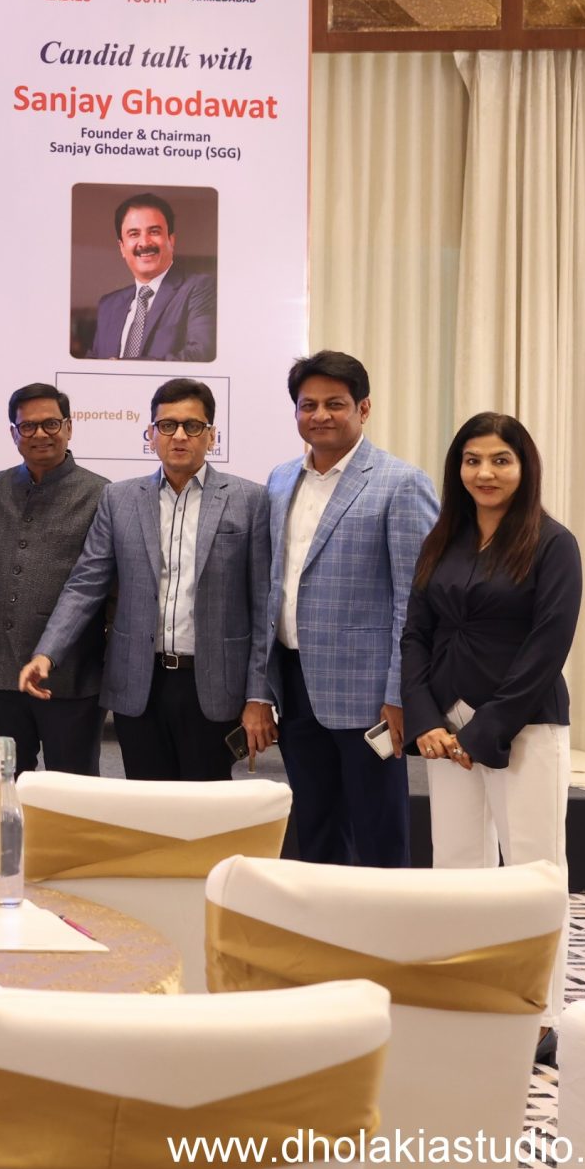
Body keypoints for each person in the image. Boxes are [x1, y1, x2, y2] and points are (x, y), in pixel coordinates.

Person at [403, 411, 578, 1049]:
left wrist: (486, 732)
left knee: (533, 867)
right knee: (456, 866)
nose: (485, 472)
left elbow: (547, 647)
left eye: (501, 459)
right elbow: (415, 634)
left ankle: (542, 1015)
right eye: (472, 460)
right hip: (445, 729)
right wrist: (425, 719)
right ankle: (465, 996)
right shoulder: (441, 540)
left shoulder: (553, 543)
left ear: (524, 467)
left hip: (524, 726)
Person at [22, 378, 273, 782]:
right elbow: (86, 583)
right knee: (145, 804)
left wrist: (259, 694)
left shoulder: (250, 500)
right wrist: (47, 653)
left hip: (214, 685)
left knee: (206, 808)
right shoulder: (119, 499)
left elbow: (263, 608)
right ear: (151, 434)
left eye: (193, 426)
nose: (179, 436)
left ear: (211, 435)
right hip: (139, 683)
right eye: (167, 425)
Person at [254, 352, 436, 868]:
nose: (320, 415)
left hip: (369, 696)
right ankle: (323, 915)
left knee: (379, 833)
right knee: (315, 826)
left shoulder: (401, 483)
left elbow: (415, 603)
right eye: (308, 405)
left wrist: (400, 695)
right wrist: (261, 687)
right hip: (294, 685)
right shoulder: (280, 480)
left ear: (364, 408)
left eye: (335, 404)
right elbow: (272, 590)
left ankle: (385, 919)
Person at [0, 383, 110, 777]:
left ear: (69, 427)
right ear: (13, 433)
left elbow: (91, 584)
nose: (40, 434)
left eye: (51, 424)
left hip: (72, 674)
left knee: (73, 794)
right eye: (27, 426)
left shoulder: (101, 493)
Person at [88, 192, 215, 362]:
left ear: (171, 240)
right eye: (134, 234)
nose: (145, 243)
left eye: (154, 231)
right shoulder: (108, 305)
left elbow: (200, 354)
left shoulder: (200, 288)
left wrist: (123, 367)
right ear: (122, 247)